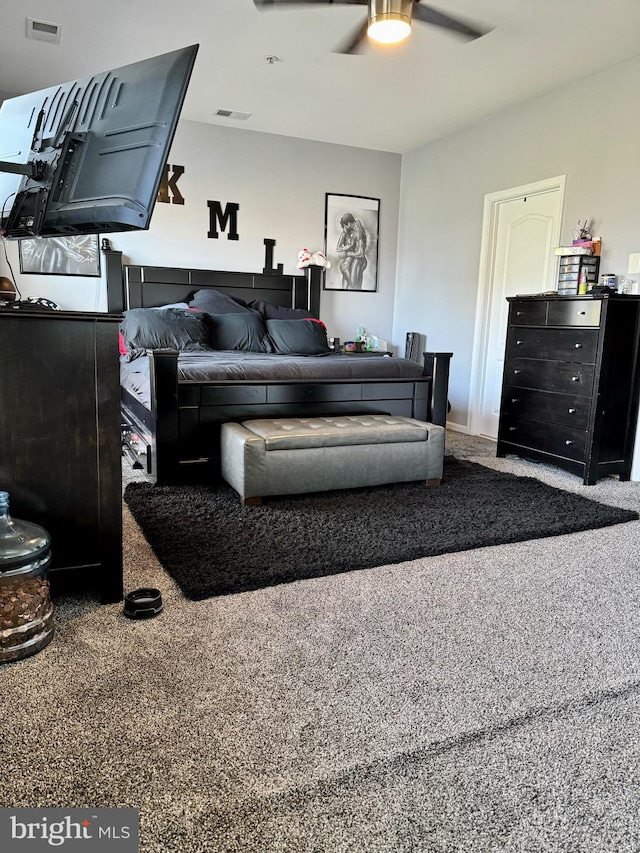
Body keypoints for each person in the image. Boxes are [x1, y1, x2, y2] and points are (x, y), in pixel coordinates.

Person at [336, 212, 367, 289]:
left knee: (354, 285)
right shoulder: (347, 233)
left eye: (345, 226)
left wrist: (350, 254)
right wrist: (347, 248)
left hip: (359, 259)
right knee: (347, 284)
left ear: (349, 224)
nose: (344, 229)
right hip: (352, 259)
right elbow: (338, 248)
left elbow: (361, 253)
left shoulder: (358, 231)